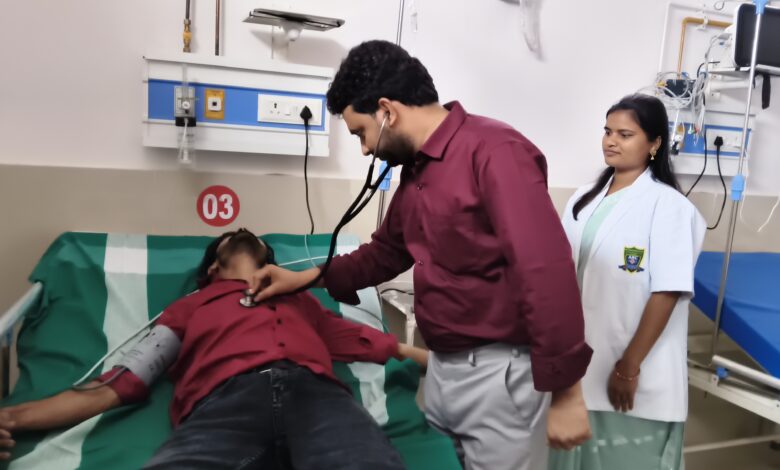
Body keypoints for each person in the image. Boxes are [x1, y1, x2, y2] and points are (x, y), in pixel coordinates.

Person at [248, 40, 593, 469]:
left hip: (500, 375)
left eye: (360, 133)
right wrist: (306, 277)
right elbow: (385, 253)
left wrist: (566, 392)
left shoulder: (495, 151)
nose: (364, 149)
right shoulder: (418, 170)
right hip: (443, 370)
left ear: (387, 111)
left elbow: (544, 268)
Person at [0, 228, 428, 469]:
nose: (241, 228)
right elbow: (120, 384)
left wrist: (441, 362)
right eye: (228, 236)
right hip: (224, 406)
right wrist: (11, 418)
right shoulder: (188, 308)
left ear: (270, 262)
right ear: (210, 268)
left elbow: (370, 342)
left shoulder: (300, 300)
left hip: (318, 397)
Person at [550, 94, 706, 470]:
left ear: (654, 143)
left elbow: (667, 291)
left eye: (625, 134)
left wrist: (629, 366)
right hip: (578, 368)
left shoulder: (669, 207)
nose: (611, 141)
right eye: (607, 131)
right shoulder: (583, 199)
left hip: (634, 374)